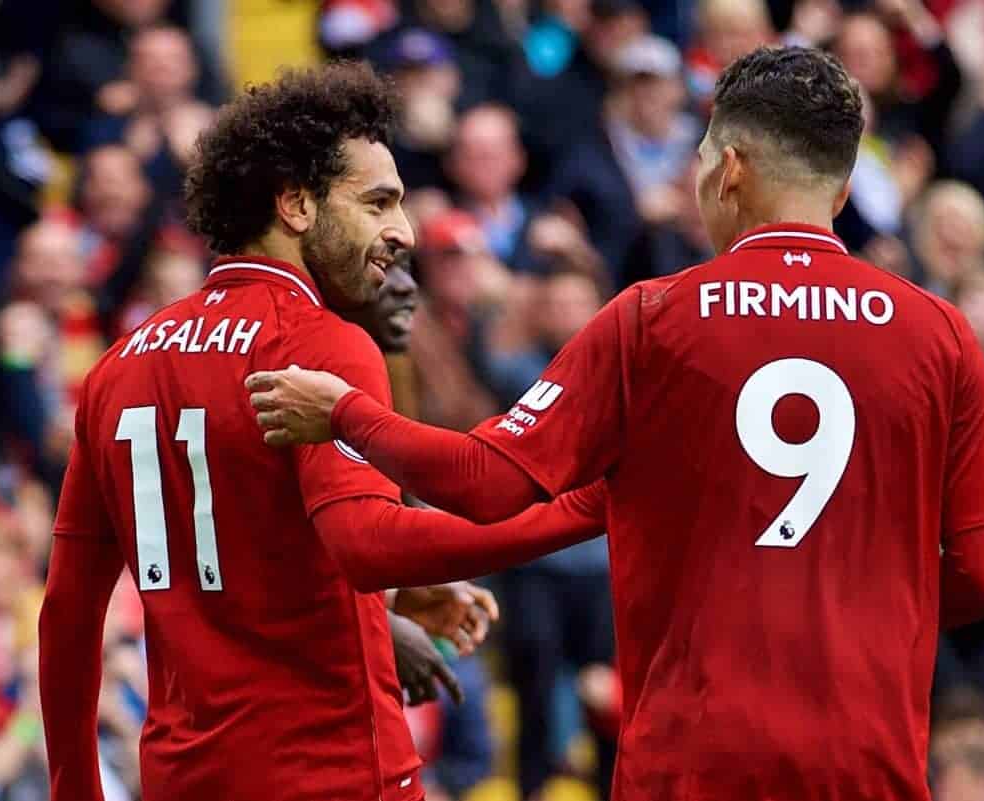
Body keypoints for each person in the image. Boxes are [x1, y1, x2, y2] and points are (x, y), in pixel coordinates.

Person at [247, 47, 984, 800]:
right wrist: (864, 595)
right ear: (838, 188)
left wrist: (345, 413)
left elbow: (485, 482)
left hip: (692, 763)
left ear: (729, 171)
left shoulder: (652, 321)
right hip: (867, 761)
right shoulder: (940, 333)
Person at [38, 62, 607, 801]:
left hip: (187, 777)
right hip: (329, 771)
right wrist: (589, 510)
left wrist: (72, 791)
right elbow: (367, 543)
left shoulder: (118, 368)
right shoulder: (322, 344)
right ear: (297, 204)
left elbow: (70, 615)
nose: (402, 231)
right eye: (378, 203)